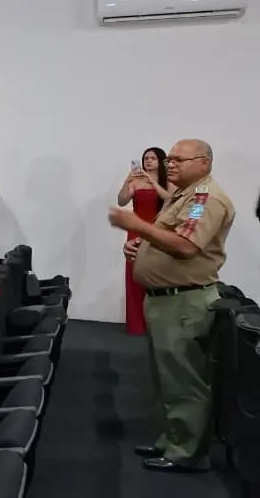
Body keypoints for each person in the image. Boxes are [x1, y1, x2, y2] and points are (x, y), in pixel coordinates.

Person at [110, 138, 233, 474]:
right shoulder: (184, 195)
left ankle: (188, 452)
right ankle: (173, 438)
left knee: (184, 380)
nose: (171, 163)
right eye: (171, 158)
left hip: (184, 301)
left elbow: (186, 245)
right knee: (167, 378)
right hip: (168, 299)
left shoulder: (205, 199)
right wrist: (141, 245)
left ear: (204, 162)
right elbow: (167, 235)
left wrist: (135, 226)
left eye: (180, 159)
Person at [116, 147, 170, 336]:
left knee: (157, 275)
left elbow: (170, 200)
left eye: (153, 158)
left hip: (158, 230)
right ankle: (137, 325)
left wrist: (153, 184)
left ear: (160, 161)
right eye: (146, 158)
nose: (148, 161)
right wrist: (128, 180)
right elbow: (122, 201)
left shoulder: (168, 181)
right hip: (136, 230)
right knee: (134, 276)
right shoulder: (136, 181)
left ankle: (158, 324)